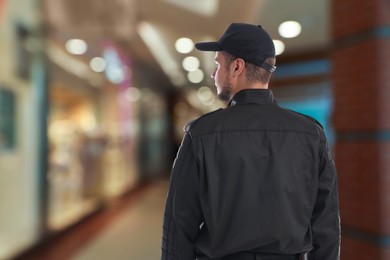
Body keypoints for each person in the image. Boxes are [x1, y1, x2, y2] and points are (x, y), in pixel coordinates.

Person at [161, 23, 340, 260]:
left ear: (236, 67)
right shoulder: (311, 134)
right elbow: (326, 225)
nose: (214, 74)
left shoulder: (200, 134)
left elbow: (179, 226)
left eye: (217, 65)